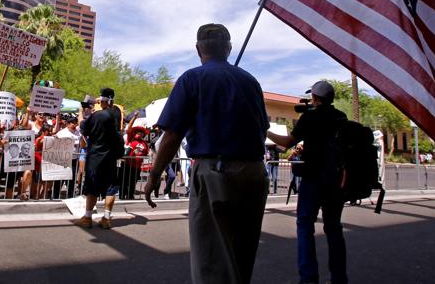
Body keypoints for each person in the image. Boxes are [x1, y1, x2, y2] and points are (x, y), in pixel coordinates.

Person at [143, 23, 270, 284]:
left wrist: (155, 174)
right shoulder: (250, 81)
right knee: (241, 255)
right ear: (229, 48)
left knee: (211, 259)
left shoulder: (192, 79)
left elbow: (173, 134)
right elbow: (263, 128)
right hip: (254, 173)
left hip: (215, 174)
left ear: (198, 49)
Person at [267, 80, 349, 284]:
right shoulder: (341, 117)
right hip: (336, 179)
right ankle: (339, 278)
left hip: (313, 177)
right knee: (333, 227)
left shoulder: (310, 117)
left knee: (305, 225)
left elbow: (287, 142)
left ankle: (309, 277)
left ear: (315, 97)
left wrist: (265, 131)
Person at [74, 87, 124, 229]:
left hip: (96, 156)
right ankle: (106, 218)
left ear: (103, 100)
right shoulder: (117, 113)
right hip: (111, 156)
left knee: (92, 187)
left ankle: (88, 217)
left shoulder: (98, 115)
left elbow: (82, 127)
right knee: (110, 187)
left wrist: (81, 112)